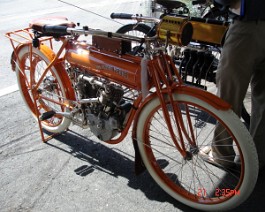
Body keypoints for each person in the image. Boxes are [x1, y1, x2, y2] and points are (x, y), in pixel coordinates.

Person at [201, 0, 265, 171]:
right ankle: (257, 158)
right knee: (263, 99)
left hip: (248, 27)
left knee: (229, 95)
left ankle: (222, 155)